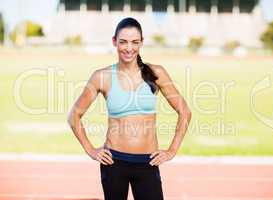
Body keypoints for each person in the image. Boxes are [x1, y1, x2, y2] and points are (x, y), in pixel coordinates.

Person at [67, 17, 192, 200]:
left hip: (147, 162)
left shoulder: (156, 73)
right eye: (123, 42)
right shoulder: (102, 76)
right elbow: (74, 116)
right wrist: (91, 150)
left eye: (135, 42)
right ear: (114, 42)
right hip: (114, 162)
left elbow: (185, 111)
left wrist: (171, 150)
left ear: (142, 43)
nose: (129, 48)